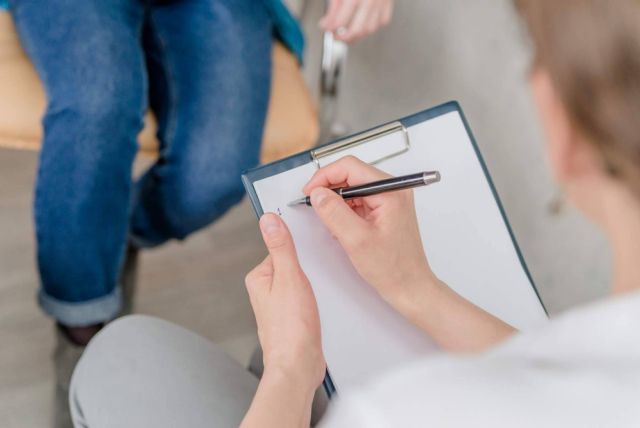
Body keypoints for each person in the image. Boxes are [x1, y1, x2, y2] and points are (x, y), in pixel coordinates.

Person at [70, 0, 640, 426]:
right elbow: (546, 381)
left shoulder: (392, 409)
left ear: (567, 141)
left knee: (124, 352)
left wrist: (292, 370)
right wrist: (414, 287)